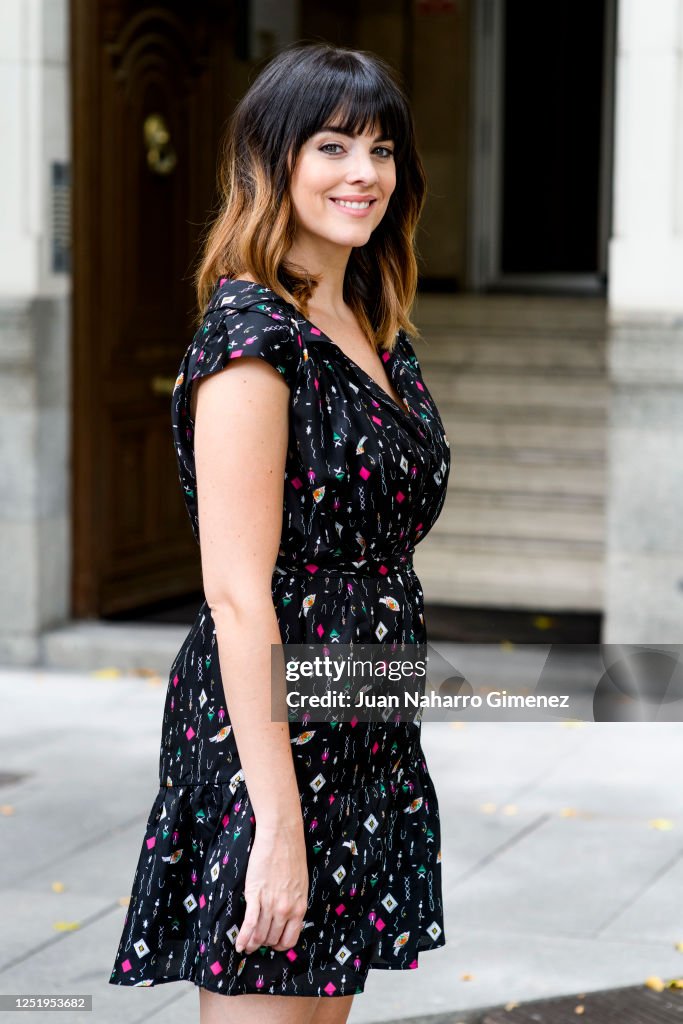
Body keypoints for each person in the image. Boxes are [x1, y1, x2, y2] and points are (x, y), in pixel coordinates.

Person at [109, 40, 451, 1024]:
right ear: (274, 160)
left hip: (362, 718)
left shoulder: (373, 320)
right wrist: (277, 820)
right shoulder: (252, 335)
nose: (363, 173)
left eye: (381, 149)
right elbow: (233, 590)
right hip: (274, 731)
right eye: (334, 145)